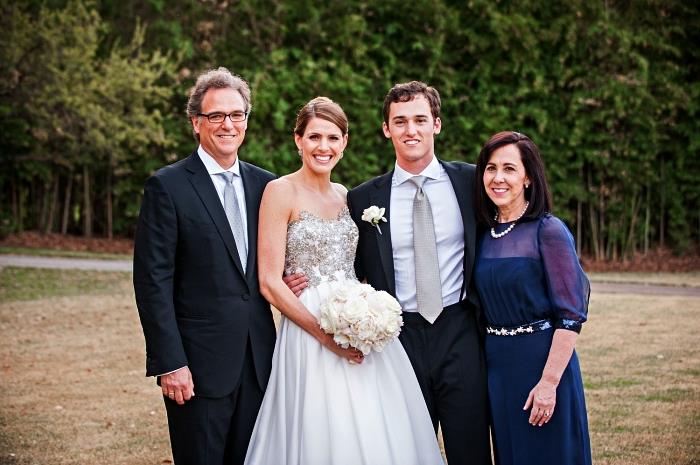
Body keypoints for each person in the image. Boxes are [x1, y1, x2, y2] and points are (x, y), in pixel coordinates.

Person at [244, 97, 444, 465]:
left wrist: (371, 313)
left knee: (374, 424)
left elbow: (359, 265)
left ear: (345, 142)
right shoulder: (279, 192)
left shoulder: (345, 196)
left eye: (333, 138)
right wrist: (325, 336)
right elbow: (269, 282)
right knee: (320, 425)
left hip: (358, 325)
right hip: (310, 334)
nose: (324, 147)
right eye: (315, 137)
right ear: (298, 140)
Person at [133, 67, 300, 465]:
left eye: (236, 114)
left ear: (246, 120)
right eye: (216, 116)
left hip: (259, 361)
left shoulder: (267, 186)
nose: (228, 124)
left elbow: (268, 266)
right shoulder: (168, 186)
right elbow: (152, 281)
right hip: (198, 368)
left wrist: (288, 282)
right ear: (196, 122)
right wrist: (170, 362)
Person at [346, 81, 492, 465]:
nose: (411, 130)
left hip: (460, 329)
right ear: (386, 129)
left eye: (420, 120)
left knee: (470, 446)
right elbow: (349, 266)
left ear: (436, 125)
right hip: (398, 337)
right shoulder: (363, 199)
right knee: (404, 449)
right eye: (400, 121)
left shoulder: (471, 183)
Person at [473, 131, 592, 465]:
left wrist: (549, 383)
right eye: (491, 168)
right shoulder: (482, 233)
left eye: (509, 169)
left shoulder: (548, 231)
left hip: (540, 362)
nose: (498, 178)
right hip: (497, 367)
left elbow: (570, 316)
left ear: (527, 177)